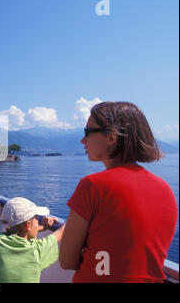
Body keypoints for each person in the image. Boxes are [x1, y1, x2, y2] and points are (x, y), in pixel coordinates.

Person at [59, 101, 178, 283]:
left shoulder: (92, 186)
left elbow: (67, 260)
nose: (83, 140)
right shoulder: (166, 190)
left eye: (87, 132)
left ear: (111, 137)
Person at [0, 197, 65, 283]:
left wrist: (42, 227)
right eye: (37, 219)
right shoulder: (36, 251)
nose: (38, 222)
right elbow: (62, 231)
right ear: (28, 225)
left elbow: (16, 233)